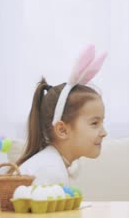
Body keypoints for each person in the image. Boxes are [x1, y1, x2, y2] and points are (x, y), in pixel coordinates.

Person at [16, 45, 107, 185]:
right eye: (94, 123)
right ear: (62, 130)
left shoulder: (53, 164)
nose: (104, 132)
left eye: (102, 122)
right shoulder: (50, 172)